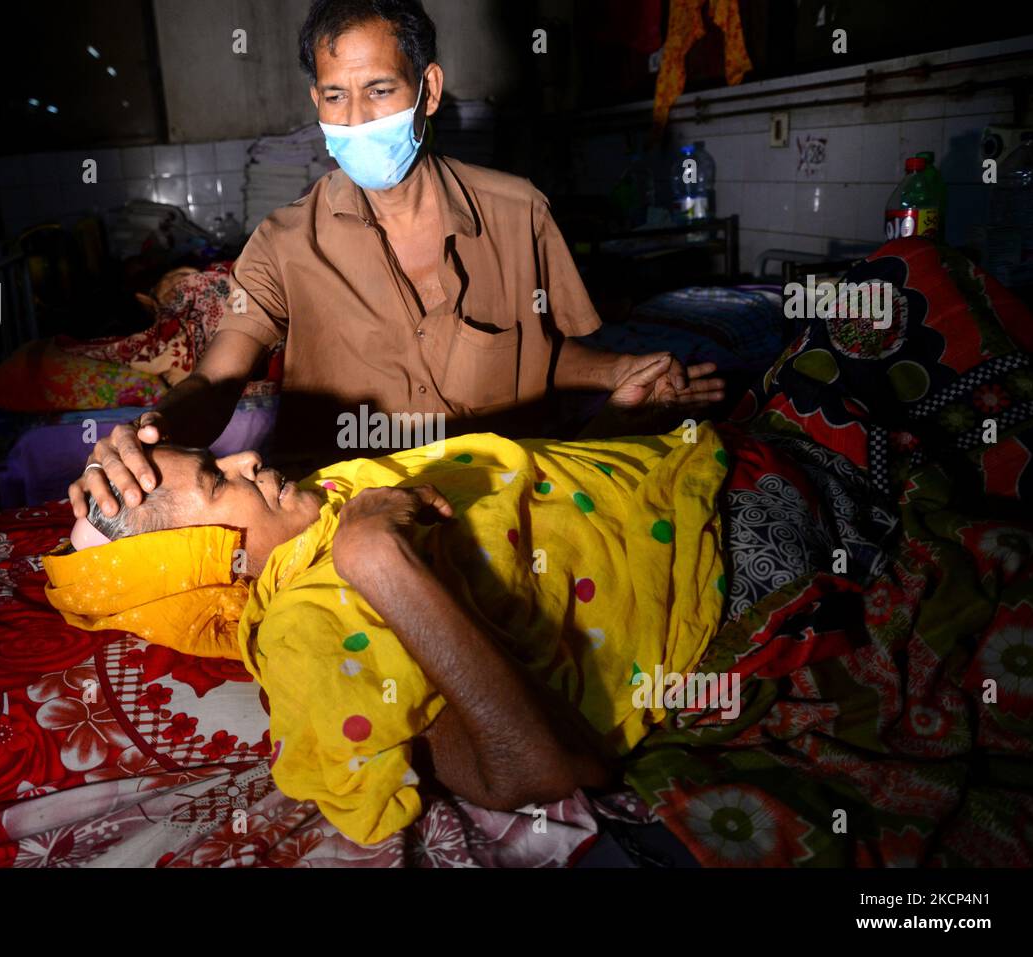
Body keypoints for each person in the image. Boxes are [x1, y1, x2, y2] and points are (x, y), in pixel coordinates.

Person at [69, 0, 724, 524]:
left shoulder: (517, 212)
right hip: (340, 515)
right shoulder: (283, 242)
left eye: (379, 90)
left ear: (428, 90)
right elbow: (216, 381)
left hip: (507, 505)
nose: (355, 120)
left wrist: (619, 373)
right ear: (316, 102)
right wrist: (148, 433)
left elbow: (534, 354)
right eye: (334, 96)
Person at [47, 423, 729, 845]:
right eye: (216, 480)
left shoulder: (322, 506)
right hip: (730, 544)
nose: (248, 455)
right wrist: (376, 555)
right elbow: (543, 770)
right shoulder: (310, 622)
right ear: (212, 566)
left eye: (219, 460)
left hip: (681, 473)